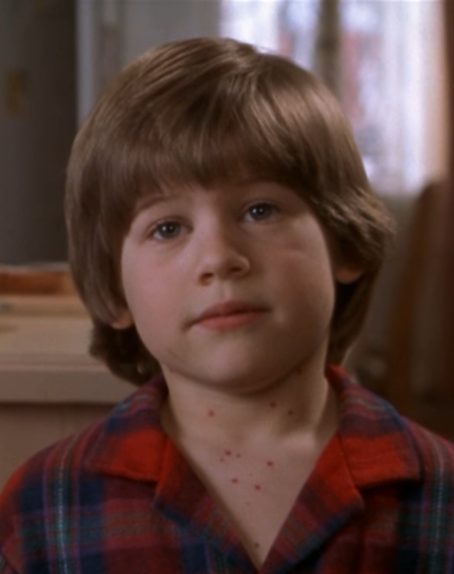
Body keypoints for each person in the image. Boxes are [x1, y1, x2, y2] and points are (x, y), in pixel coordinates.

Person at [0, 37, 453, 574]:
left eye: (260, 210)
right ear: (115, 291)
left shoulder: (439, 496)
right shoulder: (42, 510)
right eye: (167, 228)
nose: (218, 258)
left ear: (345, 241)